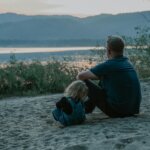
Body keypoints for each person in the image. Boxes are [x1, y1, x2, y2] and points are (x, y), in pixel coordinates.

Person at [77, 35, 142, 118]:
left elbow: (80, 76)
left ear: (108, 50)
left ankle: (80, 107)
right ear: (122, 49)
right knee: (104, 78)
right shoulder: (128, 63)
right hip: (133, 109)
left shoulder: (109, 65)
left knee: (83, 82)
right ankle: (87, 108)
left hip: (117, 111)